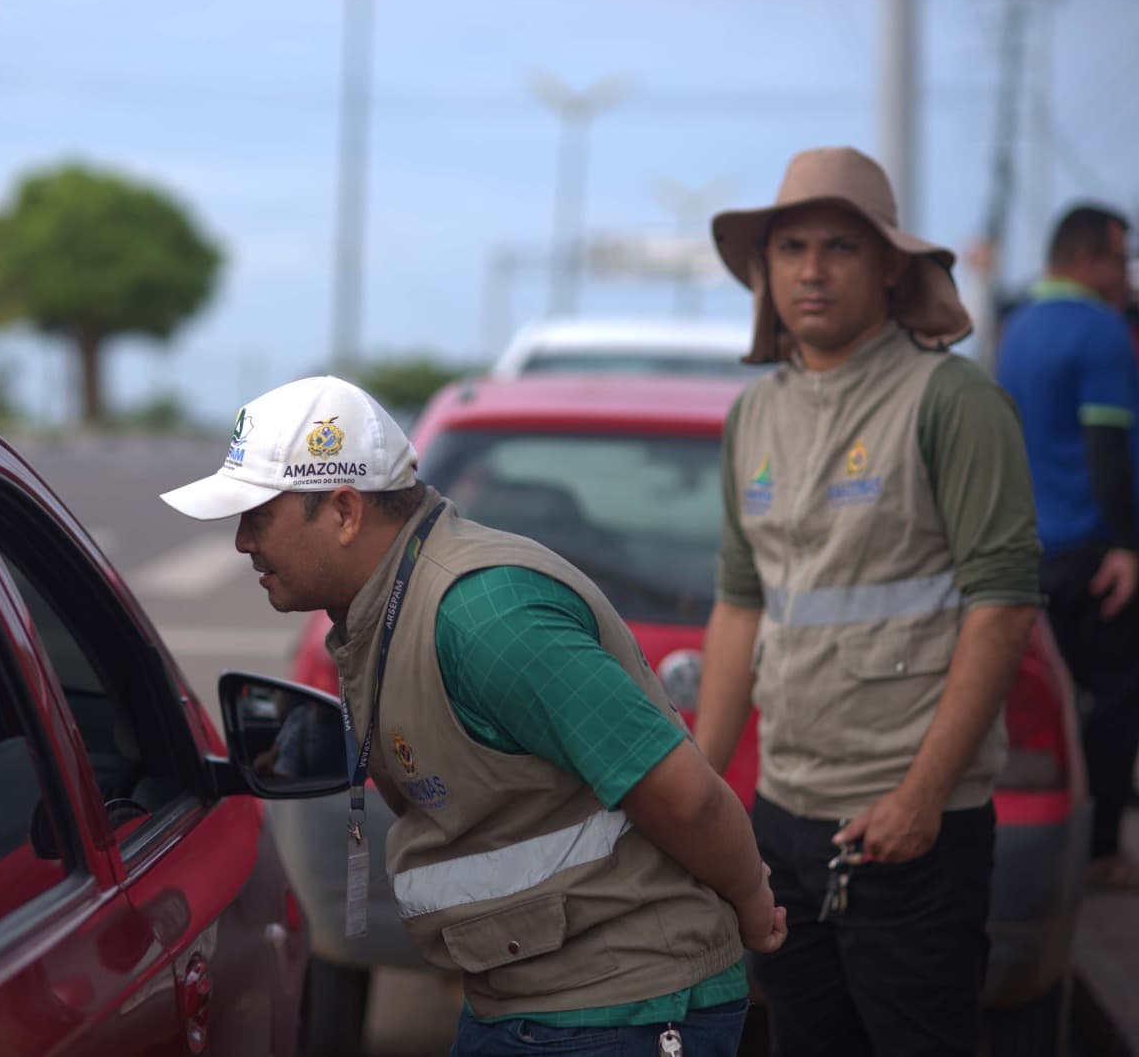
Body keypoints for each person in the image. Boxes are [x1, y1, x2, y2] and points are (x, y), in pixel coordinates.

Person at [161, 376, 785, 1056]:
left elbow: (687, 799)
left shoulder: (486, 618)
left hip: (620, 1012)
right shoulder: (386, 611)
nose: (242, 541)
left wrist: (753, 900)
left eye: (258, 514)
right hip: (529, 1003)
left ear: (343, 511)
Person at [694, 146, 1042, 1056]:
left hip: (910, 829)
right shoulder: (753, 417)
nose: (811, 269)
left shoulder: (952, 400)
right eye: (792, 246)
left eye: (841, 247)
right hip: (782, 817)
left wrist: (922, 797)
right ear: (764, 270)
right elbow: (740, 608)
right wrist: (693, 796)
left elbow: (1002, 605)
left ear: (890, 265)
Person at [995, 204, 1139, 887]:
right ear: (1090, 256)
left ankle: (1052, 843)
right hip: (1094, 550)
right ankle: (1103, 852)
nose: (1124, 274)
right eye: (1120, 258)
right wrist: (1129, 545)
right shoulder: (1101, 330)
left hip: (1030, 550)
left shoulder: (1015, 328)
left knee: (1050, 713)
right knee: (1114, 702)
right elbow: (1108, 453)